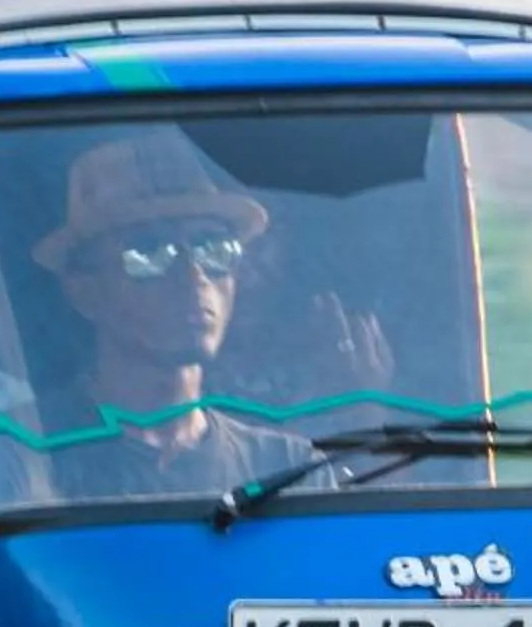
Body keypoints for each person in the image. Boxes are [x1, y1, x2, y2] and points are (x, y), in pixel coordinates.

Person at [22, 125, 324, 503]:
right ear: (84, 290)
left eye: (215, 248)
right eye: (148, 252)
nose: (192, 276)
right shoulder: (25, 457)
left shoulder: (290, 472)